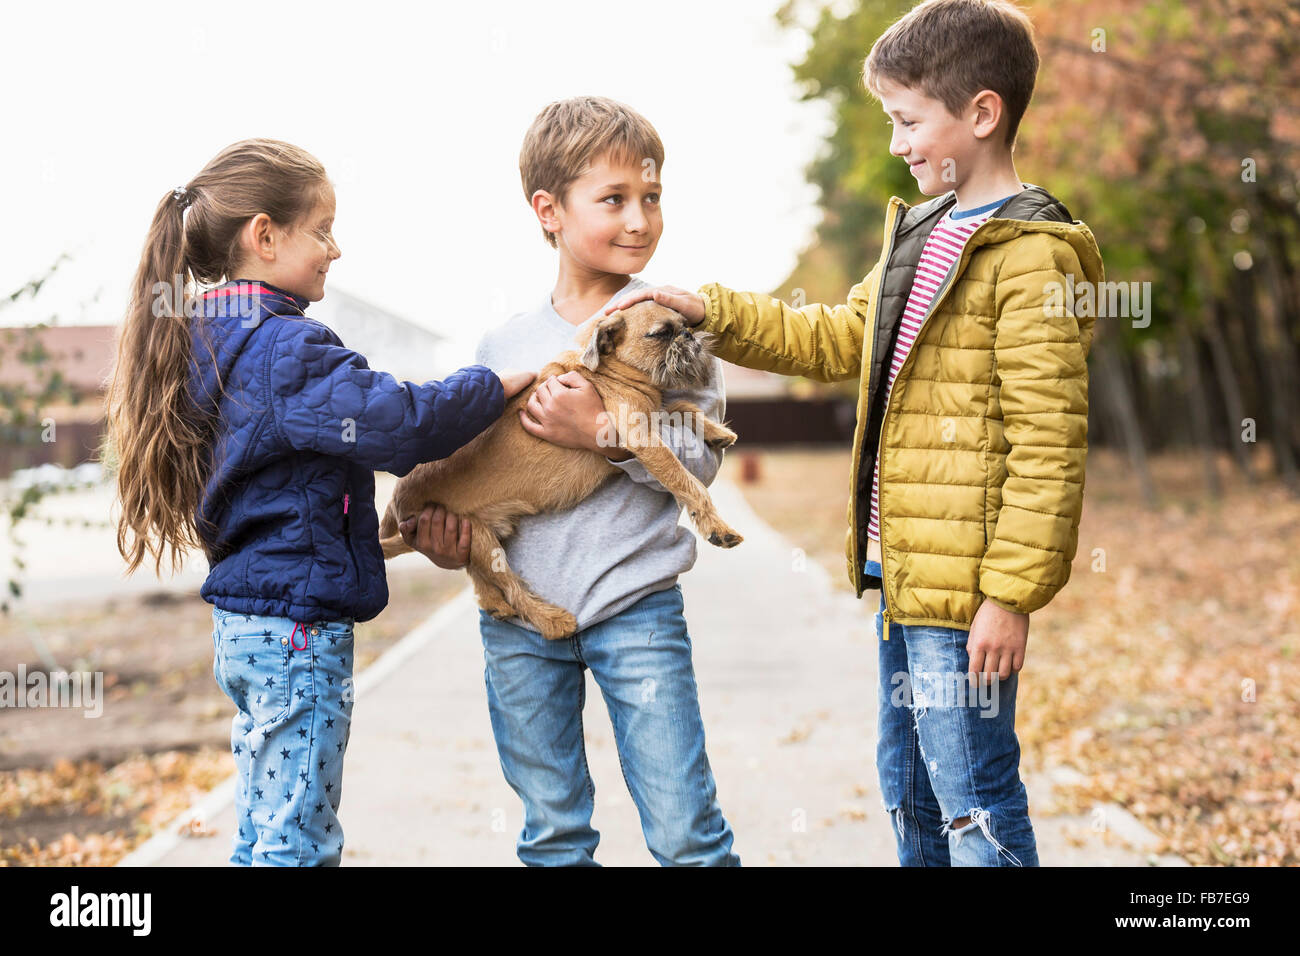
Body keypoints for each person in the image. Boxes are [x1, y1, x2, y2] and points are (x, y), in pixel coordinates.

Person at [609, 0, 1105, 866]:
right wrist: (712, 310)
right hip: (902, 577)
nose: (896, 144)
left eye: (908, 121)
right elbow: (839, 336)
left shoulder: (1031, 257)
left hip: (966, 594)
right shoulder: (919, 232)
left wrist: (1010, 596)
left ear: (982, 114)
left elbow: (1049, 445)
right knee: (911, 793)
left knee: (975, 803)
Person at [107, 138, 534, 866]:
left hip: (247, 627)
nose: (336, 249)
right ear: (265, 236)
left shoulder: (202, 337)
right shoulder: (284, 350)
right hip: (296, 633)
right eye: (323, 229)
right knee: (296, 844)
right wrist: (491, 387)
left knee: (263, 833)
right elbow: (399, 424)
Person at [400, 97, 740, 866]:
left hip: (637, 609)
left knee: (688, 832)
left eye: (652, 197)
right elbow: (471, 481)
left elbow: (702, 462)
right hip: (520, 629)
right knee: (552, 834)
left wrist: (601, 434)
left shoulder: (671, 323)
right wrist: (447, 544)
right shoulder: (503, 343)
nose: (639, 219)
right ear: (548, 210)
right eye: (614, 199)